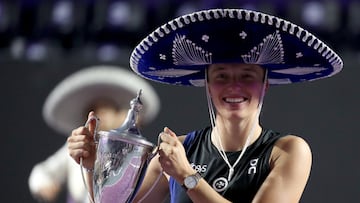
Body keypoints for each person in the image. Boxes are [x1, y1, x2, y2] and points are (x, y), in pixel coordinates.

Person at [68, 8, 343, 203]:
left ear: (265, 84)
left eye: (247, 75)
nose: (234, 86)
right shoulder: (181, 150)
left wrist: (188, 177)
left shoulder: (288, 151)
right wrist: (94, 165)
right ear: (208, 85)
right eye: (222, 76)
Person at [28, 65, 160, 203]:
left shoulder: (135, 154)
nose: (100, 115)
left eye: (106, 109)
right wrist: (43, 184)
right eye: (94, 110)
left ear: (120, 115)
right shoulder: (80, 146)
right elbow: (44, 171)